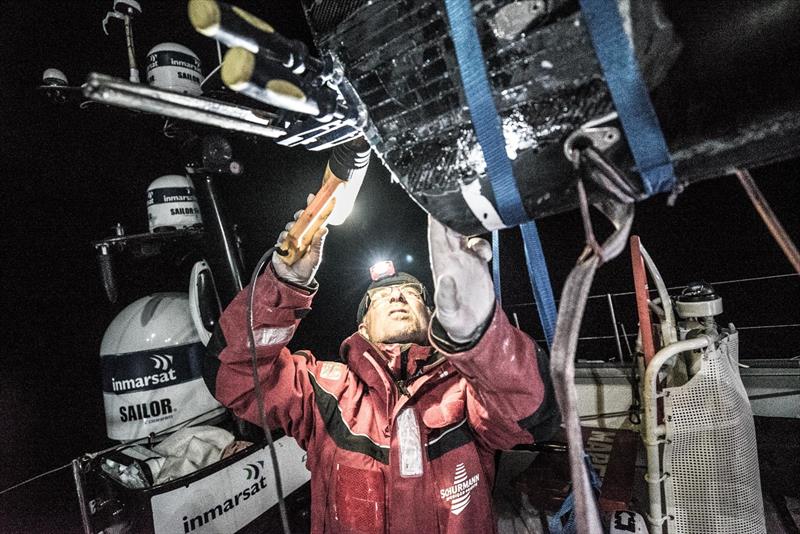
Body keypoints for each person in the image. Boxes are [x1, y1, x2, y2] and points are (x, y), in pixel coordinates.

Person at [204, 206, 558, 533]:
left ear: (431, 314)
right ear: (363, 328)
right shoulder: (321, 390)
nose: (397, 298)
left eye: (409, 293)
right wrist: (283, 283)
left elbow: (531, 417)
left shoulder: (466, 388)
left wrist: (480, 335)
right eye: (382, 297)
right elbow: (233, 376)